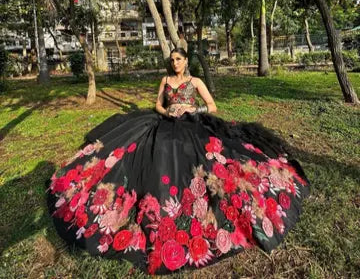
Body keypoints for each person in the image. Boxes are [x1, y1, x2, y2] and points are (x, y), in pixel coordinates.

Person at [48, 47, 310, 275]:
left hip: (192, 122)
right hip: (165, 122)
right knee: (153, 146)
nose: (175, 63)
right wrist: (168, 110)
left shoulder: (195, 82)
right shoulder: (164, 80)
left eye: (179, 59)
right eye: (172, 60)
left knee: (203, 152)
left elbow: (212, 105)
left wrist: (191, 109)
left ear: (186, 62)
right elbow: (158, 106)